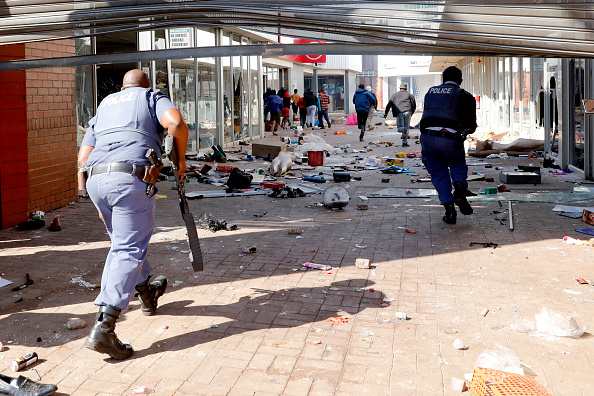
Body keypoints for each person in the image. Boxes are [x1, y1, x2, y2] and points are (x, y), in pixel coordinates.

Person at [77, 69, 188, 360]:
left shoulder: (104, 105)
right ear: (145, 86)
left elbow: (82, 157)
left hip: (96, 181)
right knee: (128, 248)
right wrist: (181, 162)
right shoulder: (150, 97)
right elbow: (176, 124)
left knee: (125, 242)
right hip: (130, 179)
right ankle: (106, 325)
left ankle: (147, 294)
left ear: (122, 87)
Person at [419, 66, 477, 224]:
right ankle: (459, 187)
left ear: (443, 79)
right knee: (457, 164)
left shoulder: (430, 92)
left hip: (427, 138)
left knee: (438, 173)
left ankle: (449, 211)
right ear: (460, 80)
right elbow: (472, 126)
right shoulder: (464, 95)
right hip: (450, 138)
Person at [384, 82, 416, 147]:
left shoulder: (394, 95)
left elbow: (389, 104)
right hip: (408, 111)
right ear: (406, 88)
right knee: (406, 127)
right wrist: (412, 112)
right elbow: (414, 105)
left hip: (399, 112)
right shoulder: (410, 95)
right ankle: (404, 142)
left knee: (400, 128)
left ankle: (403, 130)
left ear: (400, 88)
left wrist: (386, 113)